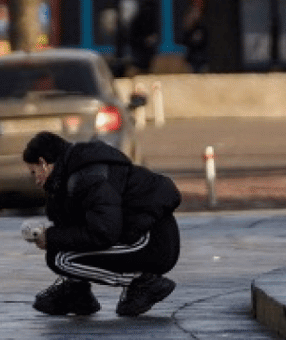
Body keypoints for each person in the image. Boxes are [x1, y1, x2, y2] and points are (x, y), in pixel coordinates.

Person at [21, 130, 181, 317]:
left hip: (151, 241)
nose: (35, 180)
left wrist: (52, 237)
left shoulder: (87, 177)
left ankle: (143, 282)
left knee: (60, 258)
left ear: (44, 163)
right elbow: (76, 226)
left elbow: (104, 232)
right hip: (137, 236)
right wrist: (51, 236)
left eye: (34, 172)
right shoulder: (69, 176)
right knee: (61, 247)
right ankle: (76, 291)